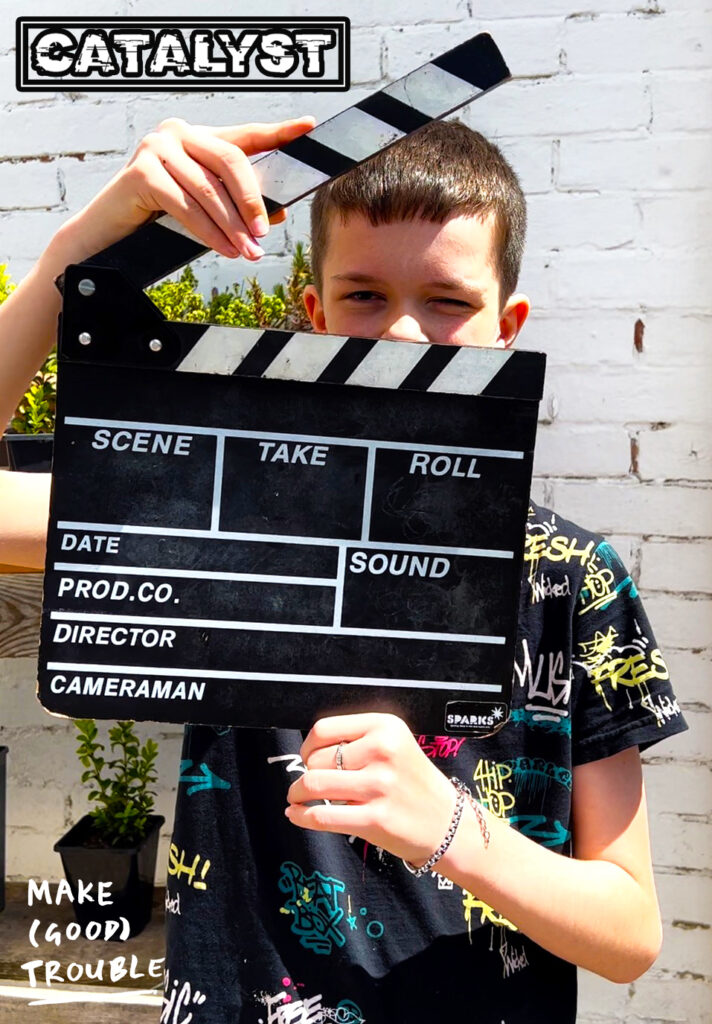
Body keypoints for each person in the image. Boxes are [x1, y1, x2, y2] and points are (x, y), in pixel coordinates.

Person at [0, 114, 687, 1023]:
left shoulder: (576, 578)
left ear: (505, 328)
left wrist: (451, 830)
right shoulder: (221, 523)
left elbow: (630, 931)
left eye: (446, 300)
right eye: (364, 295)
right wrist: (84, 245)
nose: (401, 332)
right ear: (315, 314)